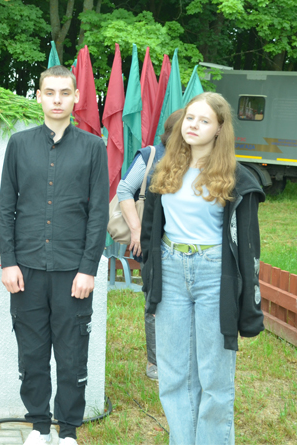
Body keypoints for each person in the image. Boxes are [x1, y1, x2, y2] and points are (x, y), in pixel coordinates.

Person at [140, 92, 264, 444]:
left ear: (219, 130)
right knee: (175, 374)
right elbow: (151, 230)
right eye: (189, 118)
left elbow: (249, 249)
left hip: (215, 275)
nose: (193, 125)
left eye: (204, 120)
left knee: (213, 378)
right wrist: (151, 273)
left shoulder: (238, 179)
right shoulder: (166, 167)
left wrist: (250, 305)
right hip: (171, 270)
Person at [0, 65, 108, 445]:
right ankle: (39, 427)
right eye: (50, 92)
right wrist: (7, 261)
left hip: (72, 272)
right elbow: (5, 208)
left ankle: (68, 431)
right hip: (26, 269)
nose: (57, 99)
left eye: (65, 92)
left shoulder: (94, 148)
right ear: (40, 96)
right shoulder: (19, 144)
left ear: (77, 97)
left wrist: (88, 269)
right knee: (31, 353)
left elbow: (98, 214)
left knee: (72, 354)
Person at [115, 109, 184, 381]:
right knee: (155, 298)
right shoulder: (151, 155)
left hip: (185, 244)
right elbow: (124, 190)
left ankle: (178, 357)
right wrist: (136, 230)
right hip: (152, 241)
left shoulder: (202, 161)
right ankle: (155, 362)